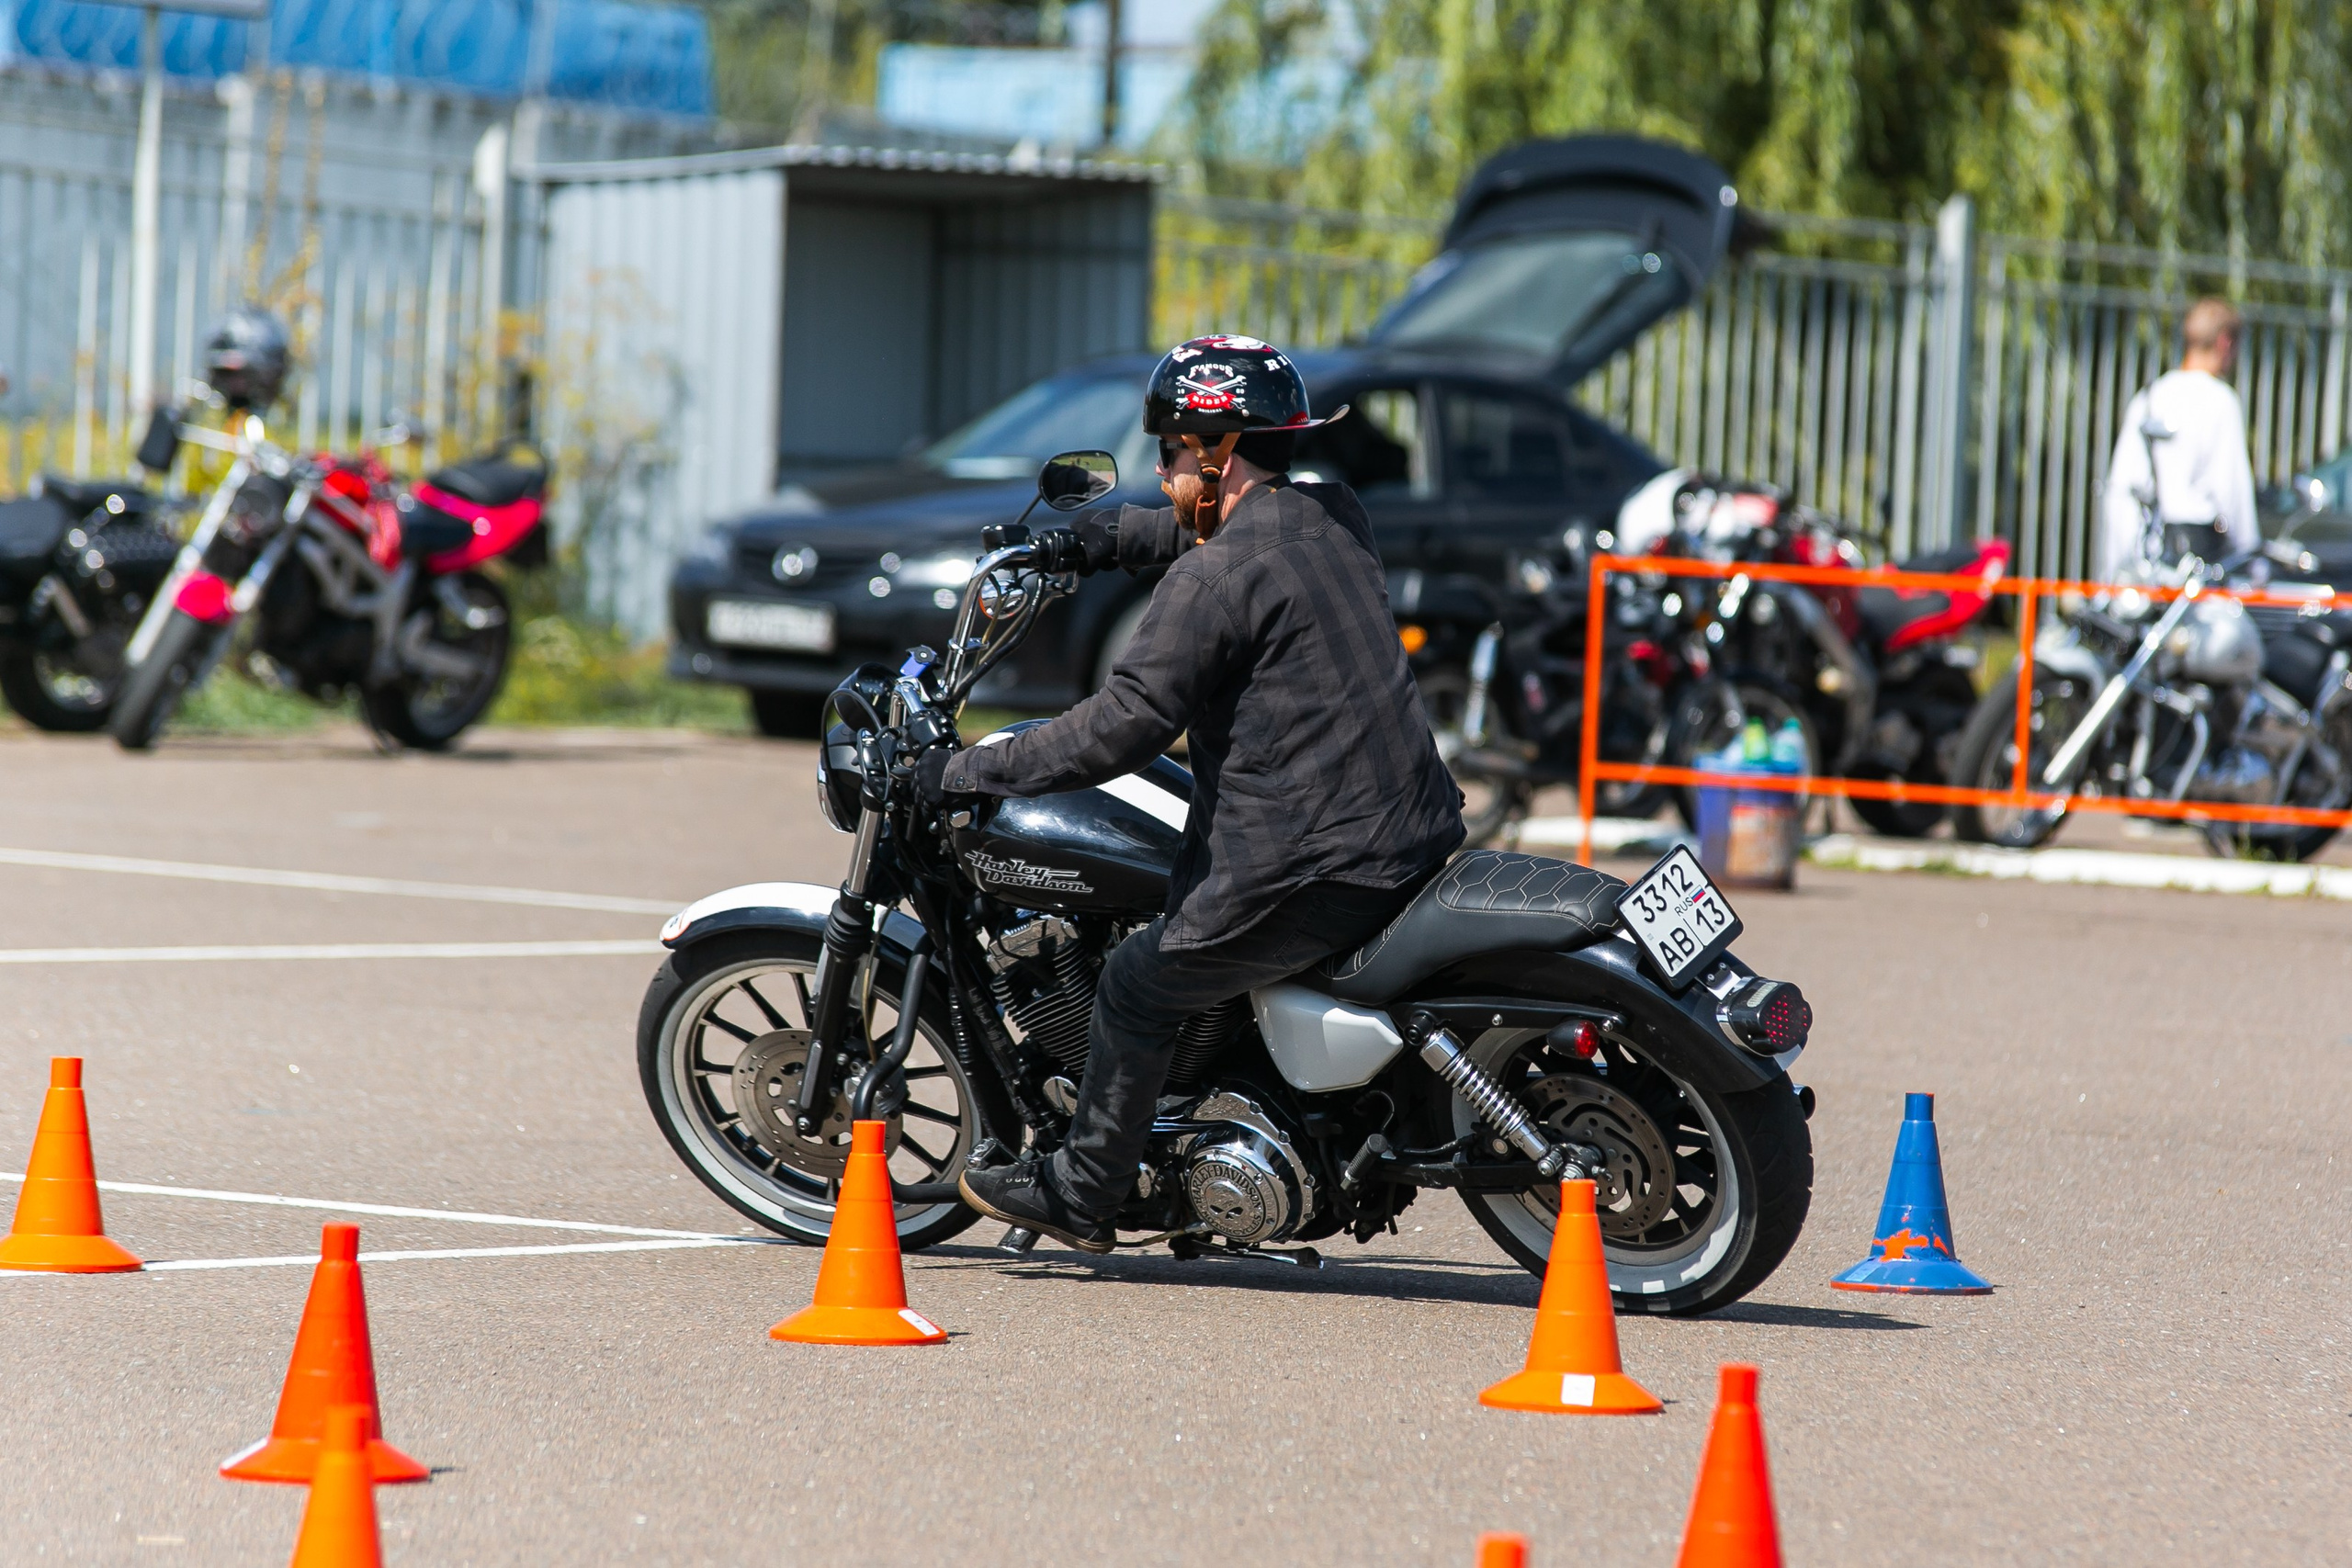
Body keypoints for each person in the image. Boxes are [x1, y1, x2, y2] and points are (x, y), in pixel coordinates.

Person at [917, 333, 1465, 1254]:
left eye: (1170, 450)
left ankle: (1082, 1190)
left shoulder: (1212, 581)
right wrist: (1097, 538)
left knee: (1136, 981)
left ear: (1215, 453)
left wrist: (965, 770)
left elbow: (1121, 726)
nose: (1163, 467)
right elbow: (1209, 527)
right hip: (1406, 829)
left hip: (1310, 862)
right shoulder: (1329, 511)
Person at [2097, 298, 2258, 581]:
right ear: (2224, 343)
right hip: (2200, 562)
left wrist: (2117, 569)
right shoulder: (2220, 401)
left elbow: (2120, 490)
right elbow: (2233, 493)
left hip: (2146, 559)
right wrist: (2253, 560)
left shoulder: (2150, 397)